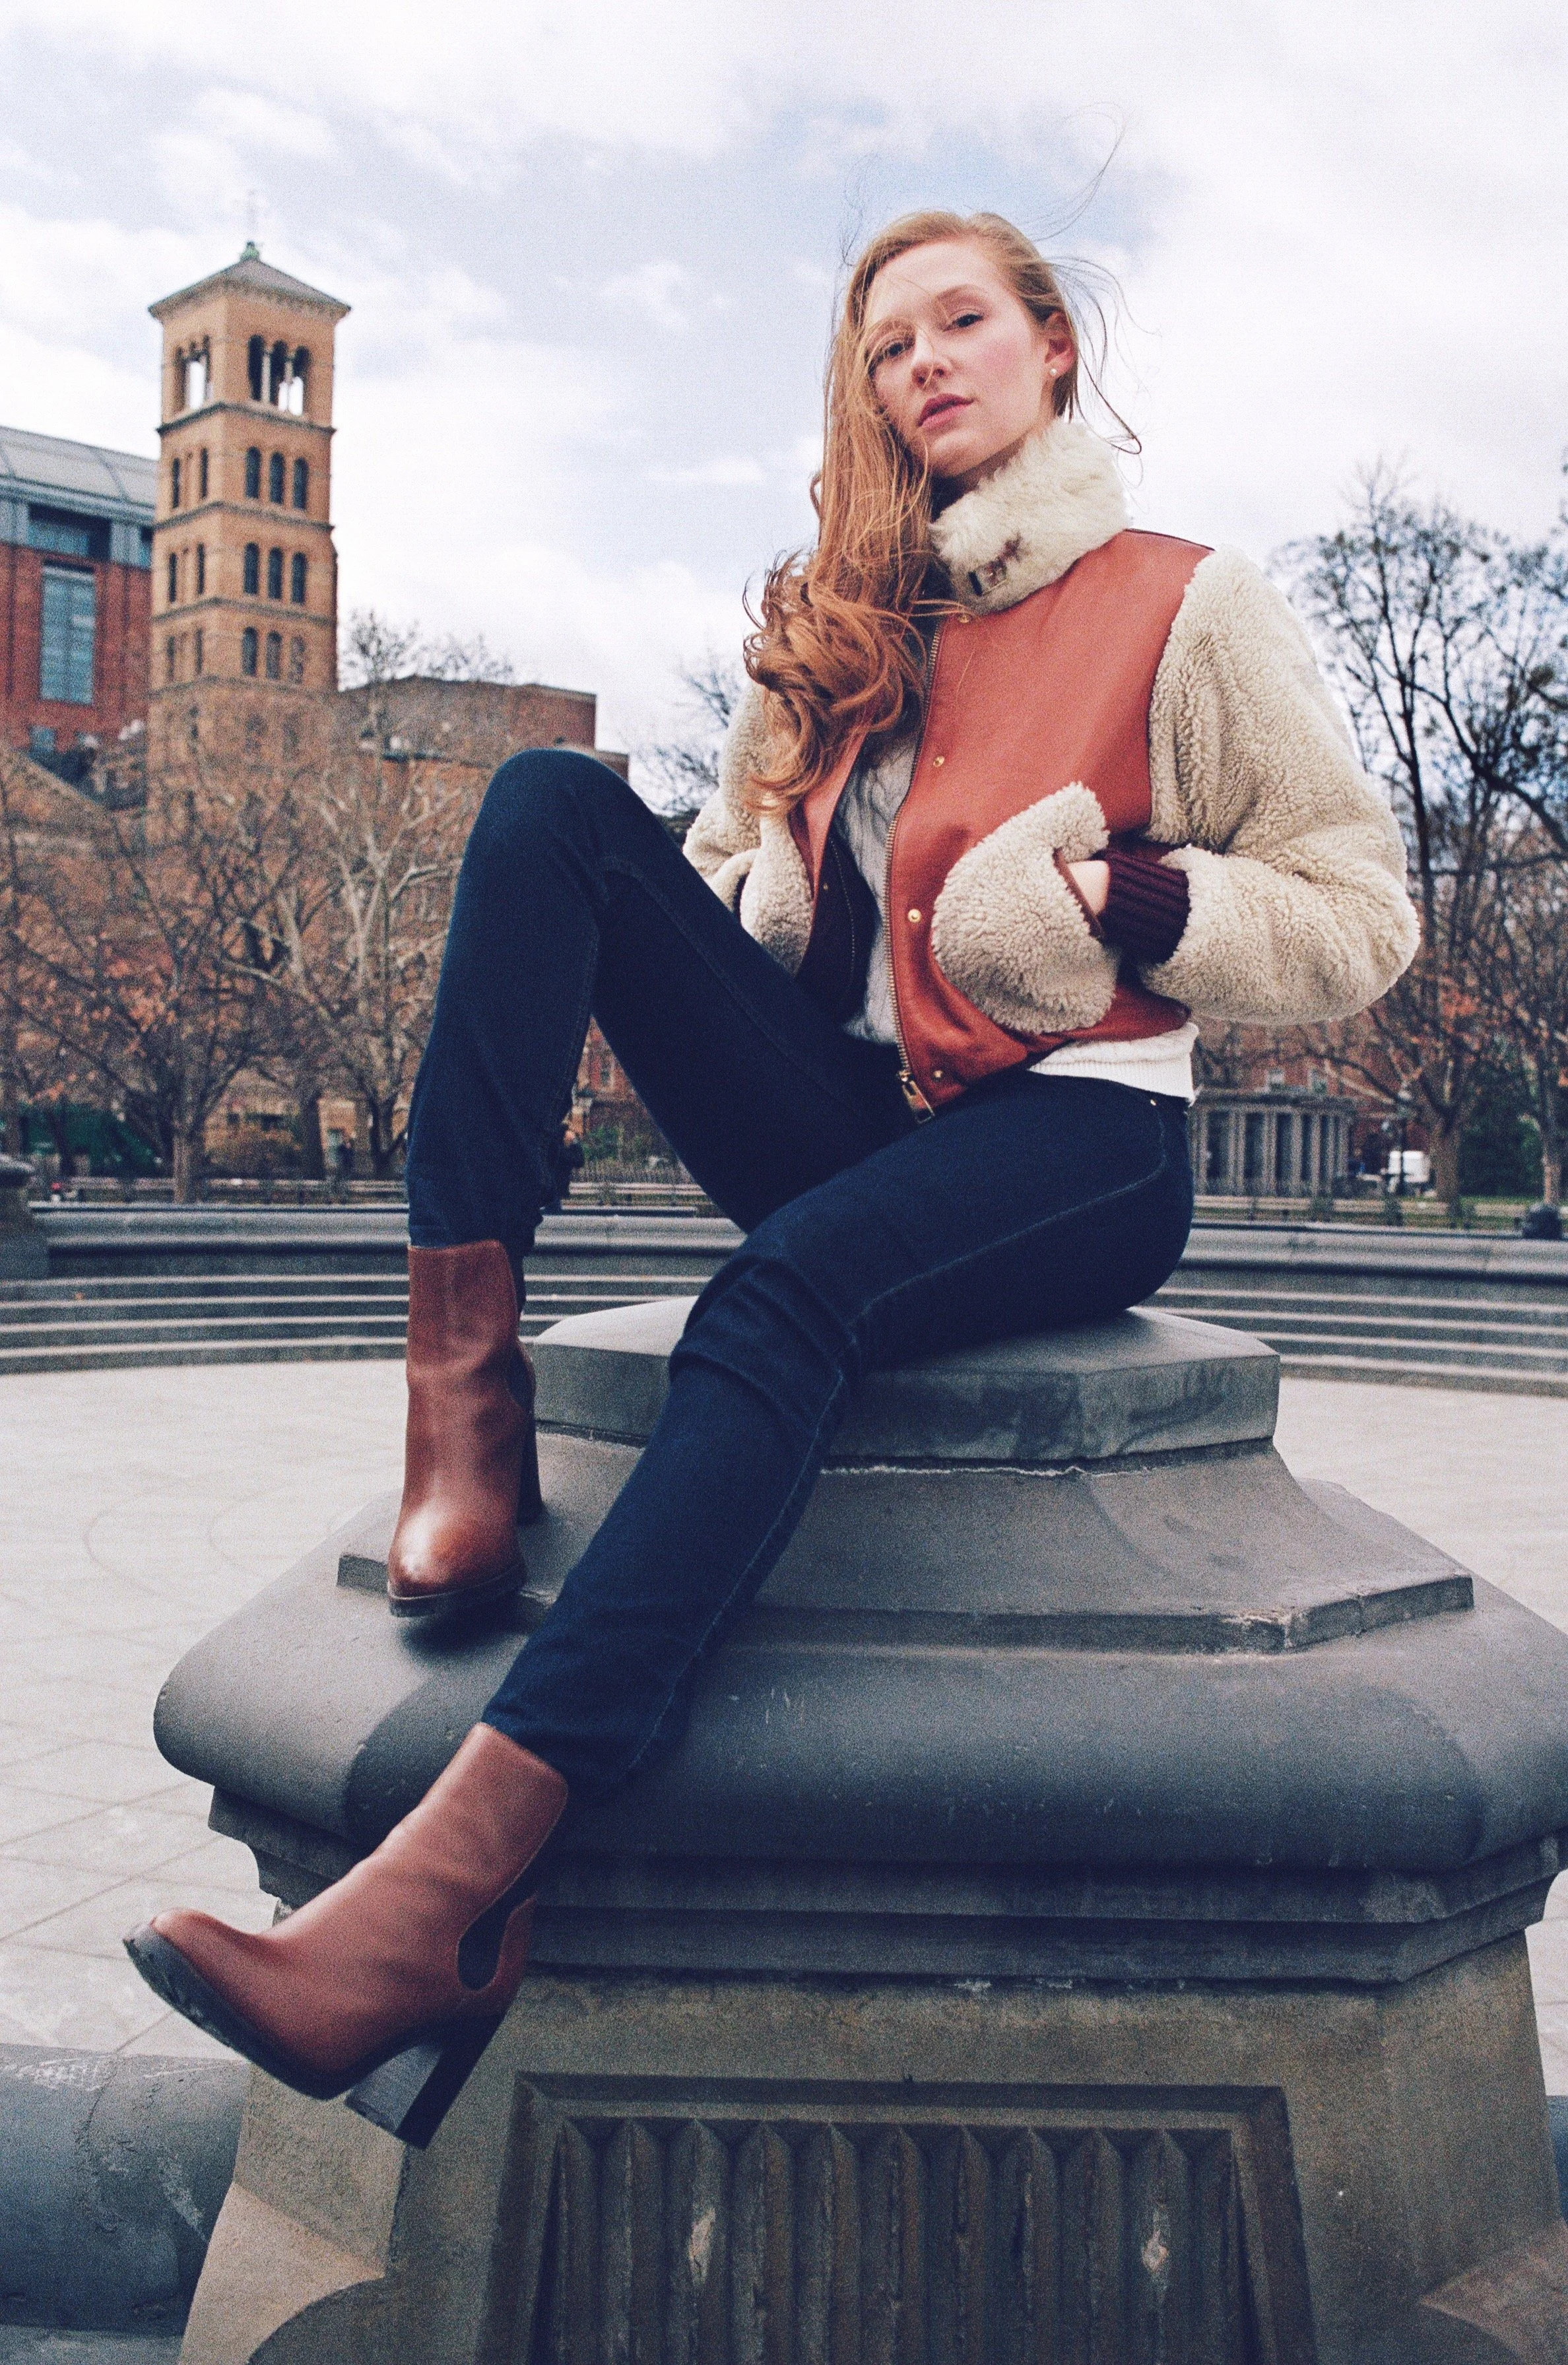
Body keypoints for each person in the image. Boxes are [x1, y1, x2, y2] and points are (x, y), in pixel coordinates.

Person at [125, 210, 1419, 2115]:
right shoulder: (831, 621)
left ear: (1054, 346)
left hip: (1084, 1129)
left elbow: (1355, 911)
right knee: (551, 806)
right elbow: (749, 891)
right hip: (853, 1105)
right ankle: (458, 1397)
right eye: (888, 344)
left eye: (963, 322)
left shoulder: (1182, 598)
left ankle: (447, 1899)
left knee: (784, 1296)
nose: (925, 365)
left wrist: (1124, 893)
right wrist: (723, 905)